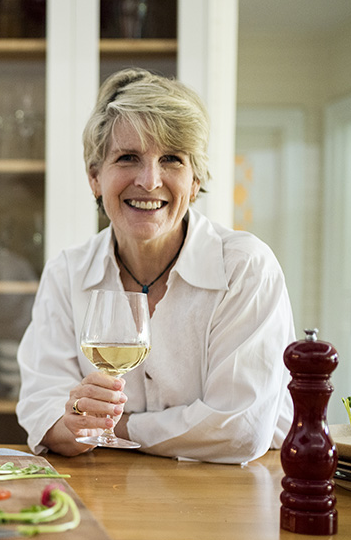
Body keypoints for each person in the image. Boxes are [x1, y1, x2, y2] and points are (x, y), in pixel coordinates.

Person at [16, 67, 294, 464]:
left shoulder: (245, 268)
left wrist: (111, 427)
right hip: (106, 493)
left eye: (171, 159)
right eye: (128, 158)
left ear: (195, 181)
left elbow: (239, 429)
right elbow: (41, 411)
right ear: (95, 177)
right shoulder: (67, 273)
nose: (149, 181)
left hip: (234, 499)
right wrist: (73, 424)